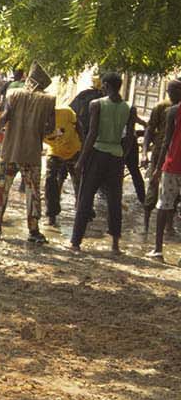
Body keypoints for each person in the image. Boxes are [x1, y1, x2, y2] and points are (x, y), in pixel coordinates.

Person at [0, 63, 56, 242]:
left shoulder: (13, 94)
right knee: (33, 192)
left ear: (28, 79)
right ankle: (34, 232)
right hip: (32, 154)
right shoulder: (49, 100)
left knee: (2, 188)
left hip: (10, 151)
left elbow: (4, 118)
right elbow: (51, 128)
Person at [71, 72, 137, 254]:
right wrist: (123, 156)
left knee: (85, 197)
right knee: (115, 200)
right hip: (116, 155)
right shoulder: (130, 108)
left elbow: (92, 134)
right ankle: (115, 245)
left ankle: (76, 242)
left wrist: (81, 161)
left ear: (106, 85)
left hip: (97, 154)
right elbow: (130, 136)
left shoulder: (97, 104)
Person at [146, 88, 181, 261]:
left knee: (163, 205)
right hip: (172, 165)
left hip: (172, 165)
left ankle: (158, 250)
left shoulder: (173, 111)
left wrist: (157, 168)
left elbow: (166, 141)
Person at [43, 98, 83, 228]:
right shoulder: (38, 119)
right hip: (55, 151)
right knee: (50, 180)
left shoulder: (66, 112)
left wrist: (84, 148)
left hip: (73, 149)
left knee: (78, 181)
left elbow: (79, 126)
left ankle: (83, 211)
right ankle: (51, 214)